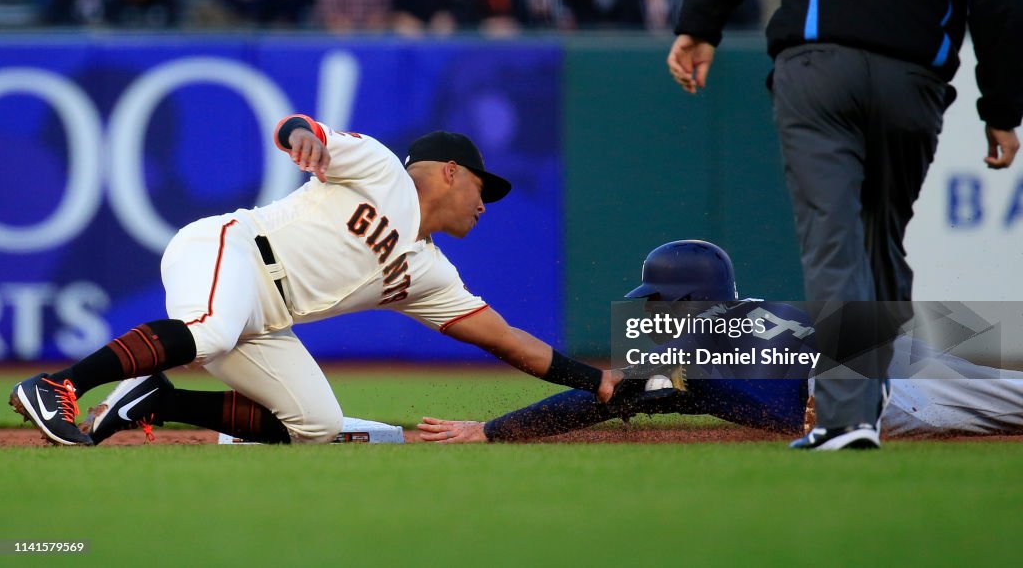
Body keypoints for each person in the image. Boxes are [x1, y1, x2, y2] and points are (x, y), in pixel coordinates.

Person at [9, 116, 623, 446]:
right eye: (483, 188)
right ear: (450, 172)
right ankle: (60, 385)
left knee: (316, 427)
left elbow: (506, 340)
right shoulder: (383, 168)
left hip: (267, 319)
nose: (485, 204)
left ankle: (156, 399)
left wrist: (593, 381)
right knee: (214, 330)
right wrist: (300, 137)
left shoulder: (432, 272)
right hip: (232, 250)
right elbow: (301, 129)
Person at [666, 0, 1023, 449]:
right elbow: (1004, 2)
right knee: (881, 244)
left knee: (834, 238)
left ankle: (848, 417)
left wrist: (700, 24)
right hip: (913, 84)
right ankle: (873, 386)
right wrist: (1002, 109)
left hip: (818, 71)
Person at [417, 241, 1023, 444]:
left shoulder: (692, 359)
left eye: (658, 302)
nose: (651, 312)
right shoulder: (756, 311)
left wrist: (490, 430)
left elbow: (599, 398)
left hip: (871, 390)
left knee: (1001, 404)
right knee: (1004, 390)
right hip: (868, 338)